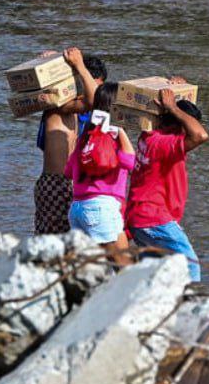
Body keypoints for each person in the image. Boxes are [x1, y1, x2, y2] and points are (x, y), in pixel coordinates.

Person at [126, 88, 209, 281]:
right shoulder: (165, 145)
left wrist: (176, 92)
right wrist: (173, 106)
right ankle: (190, 310)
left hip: (139, 220)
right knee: (191, 268)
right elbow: (200, 135)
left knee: (156, 277)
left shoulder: (148, 136)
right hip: (154, 220)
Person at [65, 82, 135, 265]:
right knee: (125, 267)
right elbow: (131, 163)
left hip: (77, 209)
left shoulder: (86, 136)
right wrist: (119, 129)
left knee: (91, 269)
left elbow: (68, 172)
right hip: (101, 209)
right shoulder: (113, 136)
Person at [33, 47, 99, 235]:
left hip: (53, 183)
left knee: (52, 240)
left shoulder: (63, 106)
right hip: (57, 183)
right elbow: (94, 100)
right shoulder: (61, 106)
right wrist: (78, 65)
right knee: (58, 244)